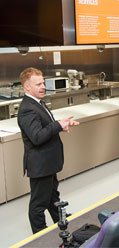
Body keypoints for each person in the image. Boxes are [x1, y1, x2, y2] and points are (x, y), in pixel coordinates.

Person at [17, 67, 79, 233]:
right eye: (38, 84)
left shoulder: (38, 103)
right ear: (27, 87)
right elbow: (37, 137)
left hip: (48, 163)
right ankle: (40, 236)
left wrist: (61, 125)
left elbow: (45, 127)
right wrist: (57, 125)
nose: (43, 86)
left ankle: (61, 223)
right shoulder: (27, 109)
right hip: (40, 164)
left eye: (43, 82)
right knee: (38, 205)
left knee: (53, 198)